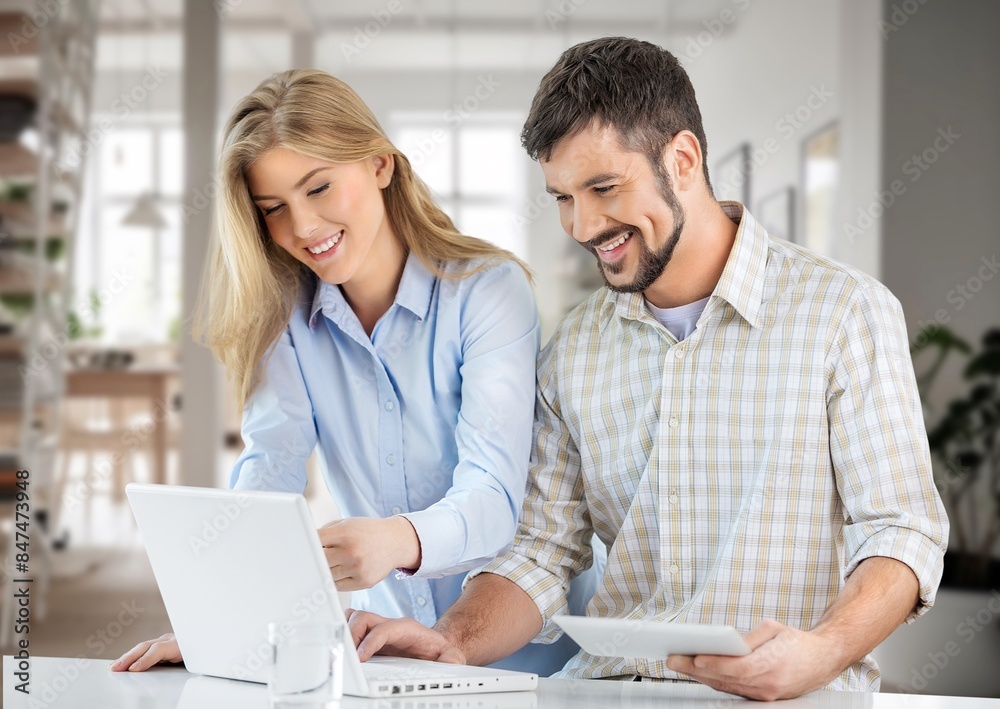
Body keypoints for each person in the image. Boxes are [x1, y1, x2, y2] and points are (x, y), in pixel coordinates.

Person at [347, 37, 950, 701]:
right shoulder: (574, 350)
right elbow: (542, 551)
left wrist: (823, 651)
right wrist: (452, 640)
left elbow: (901, 529)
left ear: (683, 159)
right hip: (613, 690)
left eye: (603, 187)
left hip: (792, 698)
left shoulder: (844, 312)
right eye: (562, 196)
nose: (582, 225)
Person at [111, 69, 598, 676]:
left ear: (379, 165)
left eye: (318, 188)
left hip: (520, 656)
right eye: (273, 209)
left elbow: (493, 498)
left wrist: (396, 539)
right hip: (388, 657)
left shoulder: (486, 292)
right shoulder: (286, 318)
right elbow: (270, 469)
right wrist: (221, 624)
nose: (303, 227)